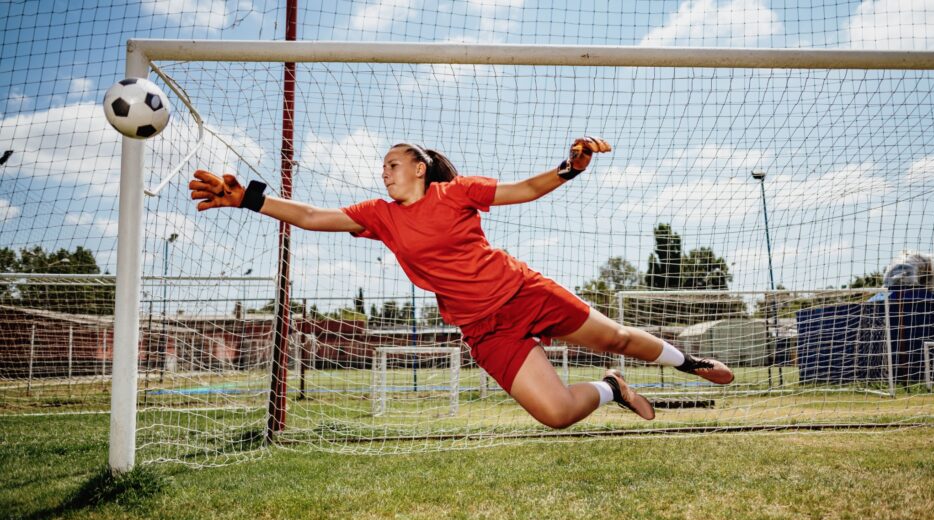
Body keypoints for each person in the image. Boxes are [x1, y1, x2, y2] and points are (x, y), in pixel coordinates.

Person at [189, 138, 734, 429]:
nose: (385, 171)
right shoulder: (378, 215)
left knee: (614, 336)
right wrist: (248, 199)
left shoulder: (457, 193)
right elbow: (310, 216)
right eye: (382, 166)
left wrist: (569, 168)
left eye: (394, 163)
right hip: (483, 328)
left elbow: (524, 189)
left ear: (421, 168)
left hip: (524, 292)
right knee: (558, 415)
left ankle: (688, 364)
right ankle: (613, 388)